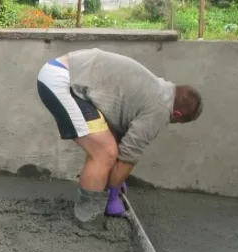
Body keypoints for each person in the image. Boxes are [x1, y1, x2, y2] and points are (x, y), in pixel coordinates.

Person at [36, 47, 203, 226]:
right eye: (175, 121)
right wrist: (113, 191)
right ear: (177, 114)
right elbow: (128, 156)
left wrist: (113, 178)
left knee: (106, 146)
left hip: (66, 74)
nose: (170, 122)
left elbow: (121, 140)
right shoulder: (162, 109)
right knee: (104, 152)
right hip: (62, 80)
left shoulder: (160, 91)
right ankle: (87, 219)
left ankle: (90, 206)